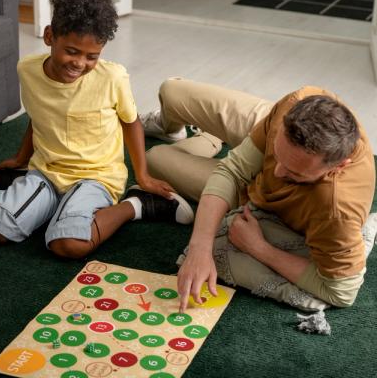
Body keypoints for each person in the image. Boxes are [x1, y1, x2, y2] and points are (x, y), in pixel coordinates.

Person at [0, 0, 194, 259]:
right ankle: (29, 187)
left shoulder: (113, 78)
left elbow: (131, 123)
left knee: (67, 244)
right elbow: (39, 115)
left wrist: (142, 177)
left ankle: (136, 205)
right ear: (49, 36)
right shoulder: (27, 70)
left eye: (91, 56)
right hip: (46, 170)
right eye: (71, 51)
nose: (79, 63)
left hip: (97, 176)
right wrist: (21, 157)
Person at [142, 78, 375, 313]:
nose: (276, 171)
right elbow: (233, 168)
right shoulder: (298, 103)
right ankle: (194, 135)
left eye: (294, 173)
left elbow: (342, 292)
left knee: (153, 159)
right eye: (277, 154)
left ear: (337, 167)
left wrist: (260, 248)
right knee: (172, 91)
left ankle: (208, 139)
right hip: (266, 127)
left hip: (253, 194)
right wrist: (200, 249)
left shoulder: (336, 211)